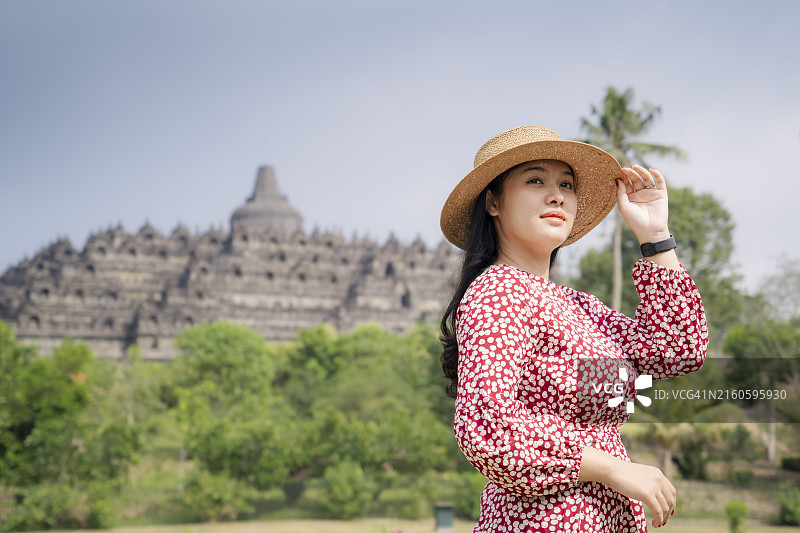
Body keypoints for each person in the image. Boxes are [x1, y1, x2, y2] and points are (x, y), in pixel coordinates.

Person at [438, 125, 708, 532]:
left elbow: (678, 350)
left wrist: (655, 237)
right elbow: (486, 429)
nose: (556, 194)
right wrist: (613, 469)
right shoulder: (499, 291)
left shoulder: (580, 308)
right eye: (535, 180)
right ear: (493, 202)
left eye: (566, 183)